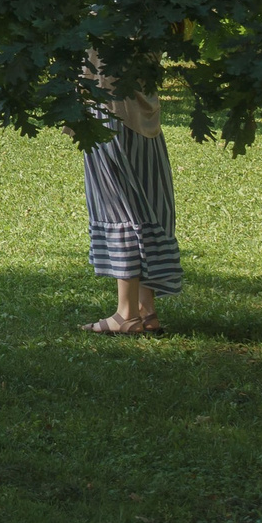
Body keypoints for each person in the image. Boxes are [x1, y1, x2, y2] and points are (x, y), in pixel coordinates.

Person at [80, 59, 181, 336]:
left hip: (111, 114)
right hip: (144, 118)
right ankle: (145, 310)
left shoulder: (108, 15)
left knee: (120, 208)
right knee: (147, 206)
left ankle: (126, 314)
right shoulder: (154, 15)